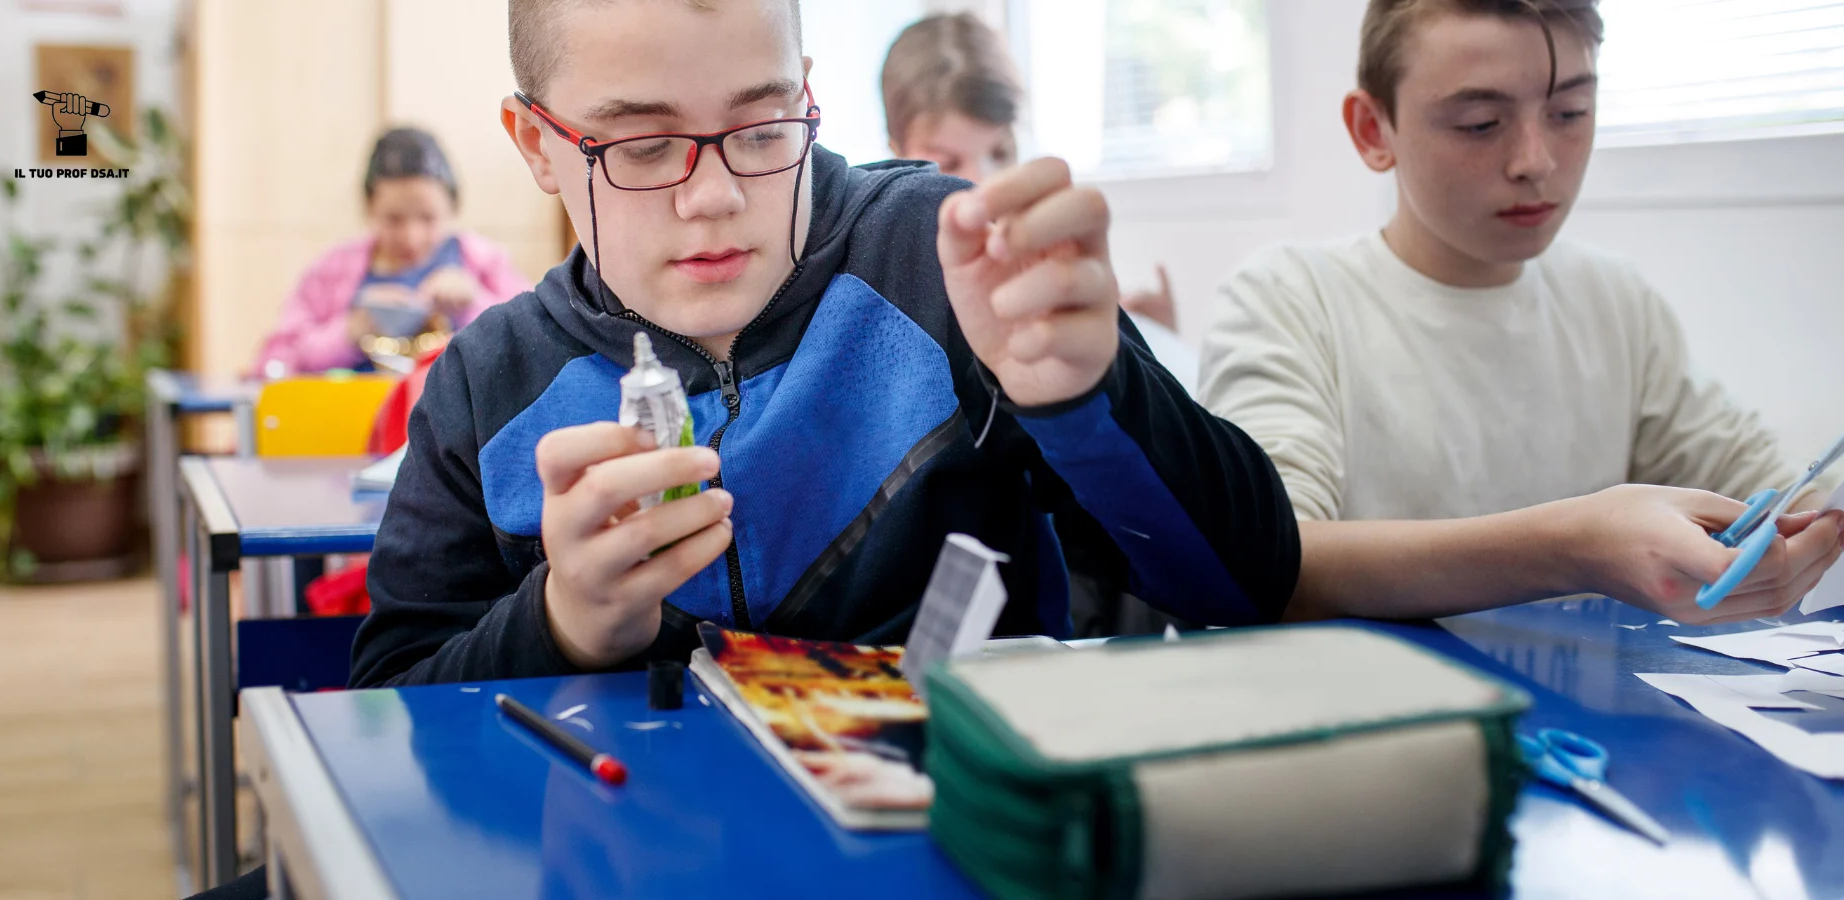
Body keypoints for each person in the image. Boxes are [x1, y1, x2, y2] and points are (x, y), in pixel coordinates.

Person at [349, 0, 1837, 696]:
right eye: (637, 146)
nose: (719, 191)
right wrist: (565, 624)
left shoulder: (943, 259)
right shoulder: (482, 384)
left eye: (756, 124)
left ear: (808, 91)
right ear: (536, 147)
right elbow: (385, 710)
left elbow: (1240, 576)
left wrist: (1087, 387)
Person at [1198, 0, 1841, 529]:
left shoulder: (1613, 302)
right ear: (1374, 130)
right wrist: (1568, 545)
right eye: (1480, 123)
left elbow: (1774, 493)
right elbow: (1275, 562)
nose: (1535, 160)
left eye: (1569, 114)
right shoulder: (1290, 301)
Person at [880, 12, 1181, 336]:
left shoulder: (1038, 244)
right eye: (948, 163)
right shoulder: (887, 274)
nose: (981, 183)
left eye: (1000, 153)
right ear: (897, 155)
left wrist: (1146, 339)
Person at [252, 127, 532, 377]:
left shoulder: (484, 265)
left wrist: (472, 305)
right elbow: (274, 363)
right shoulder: (331, 270)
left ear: (452, 209)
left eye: (428, 218)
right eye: (394, 219)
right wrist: (351, 330)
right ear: (369, 209)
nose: (411, 237)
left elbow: (534, 342)